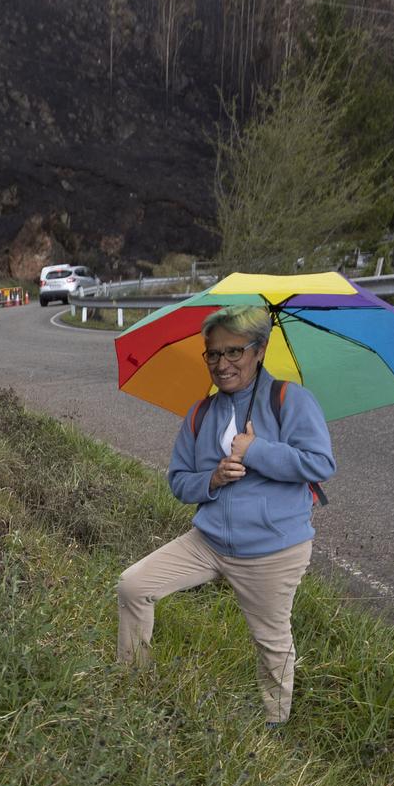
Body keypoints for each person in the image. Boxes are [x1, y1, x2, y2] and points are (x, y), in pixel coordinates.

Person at [116, 305, 336, 726]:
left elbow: (320, 464)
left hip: (272, 548)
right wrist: (212, 480)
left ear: (260, 350)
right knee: (133, 585)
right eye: (213, 354)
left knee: (271, 641)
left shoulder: (289, 400)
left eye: (234, 352)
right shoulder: (201, 413)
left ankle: (275, 724)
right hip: (209, 542)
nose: (222, 364)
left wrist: (256, 450)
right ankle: (132, 684)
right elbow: (179, 481)